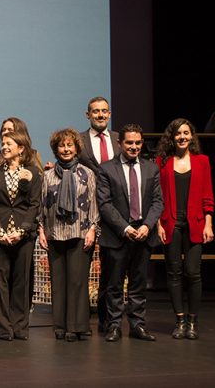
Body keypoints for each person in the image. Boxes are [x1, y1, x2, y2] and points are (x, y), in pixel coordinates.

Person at [97, 124, 163, 342]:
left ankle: (137, 325)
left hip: (143, 235)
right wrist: (125, 228)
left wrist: (147, 226)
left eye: (137, 143)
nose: (134, 147)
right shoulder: (107, 169)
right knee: (114, 284)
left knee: (138, 284)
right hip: (118, 235)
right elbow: (104, 204)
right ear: (120, 144)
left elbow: (157, 202)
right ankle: (114, 326)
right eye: (129, 143)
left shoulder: (151, 168)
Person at [155, 118, 214, 339]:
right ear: (172, 137)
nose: (182, 137)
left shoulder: (202, 161)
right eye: (178, 133)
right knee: (174, 273)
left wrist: (209, 223)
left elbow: (208, 195)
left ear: (191, 136)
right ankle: (179, 320)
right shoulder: (162, 161)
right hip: (170, 223)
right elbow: (156, 196)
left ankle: (193, 322)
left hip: (196, 223)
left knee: (193, 272)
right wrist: (158, 224)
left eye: (186, 133)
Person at [37, 129, 99, 341]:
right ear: (56, 149)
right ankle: (60, 326)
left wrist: (92, 229)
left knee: (78, 281)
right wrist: (41, 230)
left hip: (80, 232)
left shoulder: (87, 174)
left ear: (76, 148)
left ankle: (77, 326)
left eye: (69, 145)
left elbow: (93, 204)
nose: (66, 149)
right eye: (62, 146)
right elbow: (42, 206)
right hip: (54, 233)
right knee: (59, 281)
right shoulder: (47, 176)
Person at [0, 130, 42, 340]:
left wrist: (22, 230)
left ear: (21, 148)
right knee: (0, 283)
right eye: (3, 143)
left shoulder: (33, 174)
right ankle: (3, 328)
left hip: (23, 235)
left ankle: (20, 327)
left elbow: (34, 204)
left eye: (9, 143)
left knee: (21, 282)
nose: (5, 147)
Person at [76, 96, 121, 334]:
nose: (100, 115)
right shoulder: (79, 141)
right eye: (96, 111)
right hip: (86, 214)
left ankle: (106, 320)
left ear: (110, 113)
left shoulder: (119, 140)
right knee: (82, 267)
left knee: (110, 268)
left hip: (113, 213)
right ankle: (81, 321)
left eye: (104, 111)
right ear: (88, 115)